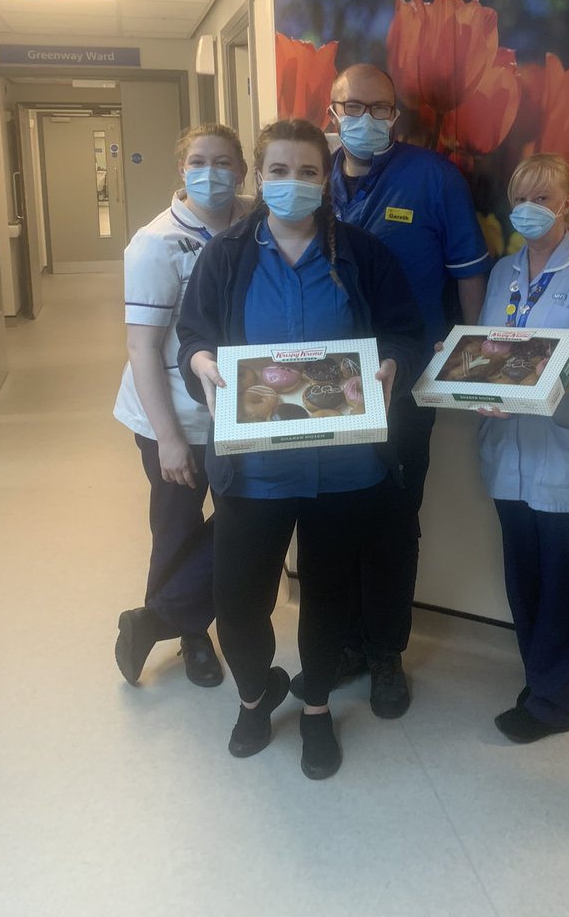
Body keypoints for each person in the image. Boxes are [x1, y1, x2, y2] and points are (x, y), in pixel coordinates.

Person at [176, 119, 423, 780]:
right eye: (279, 171)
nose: (293, 183)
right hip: (253, 468)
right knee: (239, 603)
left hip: (343, 468)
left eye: (308, 171)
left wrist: (393, 367)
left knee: (328, 599)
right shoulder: (226, 255)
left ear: (326, 179)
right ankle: (255, 698)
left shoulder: (363, 254)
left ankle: (315, 707)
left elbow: (405, 333)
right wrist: (200, 362)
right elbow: (192, 335)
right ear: (260, 178)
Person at [290, 62, 490, 718]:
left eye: (381, 108)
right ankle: (343, 642)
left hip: (404, 382)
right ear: (331, 112)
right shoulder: (309, 180)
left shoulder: (433, 179)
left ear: (396, 115)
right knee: (329, 521)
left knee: (392, 523)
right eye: (354, 107)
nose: (367, 119)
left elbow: (469, 276)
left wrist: (469, 362)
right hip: (324, 388)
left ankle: (385, 653)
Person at [476, 154, 569, 742]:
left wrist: (541, 392)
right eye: (520, 198)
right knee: (523, 575)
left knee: (563, 579)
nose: (529, 209)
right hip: (506, 447)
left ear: (566, 204)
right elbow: (487, 348)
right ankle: (539, 680)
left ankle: (555, 702)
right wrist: (466, 378)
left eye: (542, 198)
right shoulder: (502, 272)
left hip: (563, 448)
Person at [113, 123, 250, 687]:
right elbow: (142, 347)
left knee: (246, 519)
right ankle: (192, 638)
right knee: (176, 527)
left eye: (223, 162)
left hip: (242, 411)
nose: (211, 173)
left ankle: (155, 618)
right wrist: (168, 438)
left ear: (242, 170)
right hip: (174, 414)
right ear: (182, 170)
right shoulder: (157, 243)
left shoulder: (257, 219)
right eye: (198, 161)